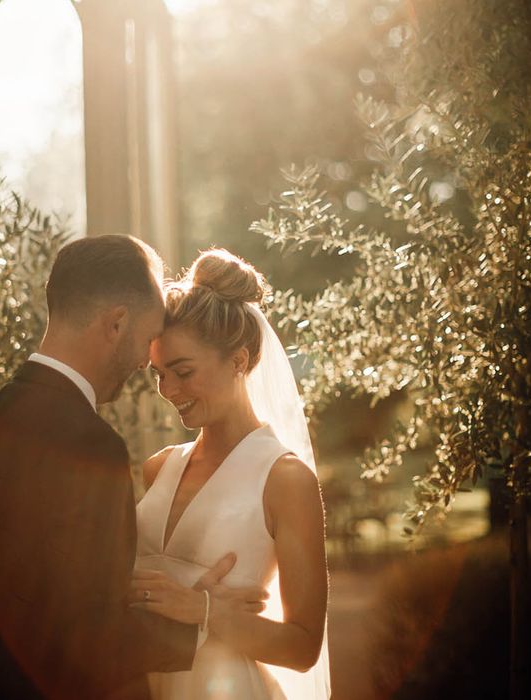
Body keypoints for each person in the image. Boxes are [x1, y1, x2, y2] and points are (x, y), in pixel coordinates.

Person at [0, 235, 264, 700]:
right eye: (147, 340)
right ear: (116, 323)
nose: (147, 361)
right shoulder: (90, 445)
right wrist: (201, 618)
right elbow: (91, 636)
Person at [131, 249, 331, 699]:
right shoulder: (157, 469)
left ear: (239, 361)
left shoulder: (285, 480)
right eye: (159, 374)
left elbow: (302, 647)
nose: (168, 391)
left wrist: (204, 611)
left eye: (182, 371)